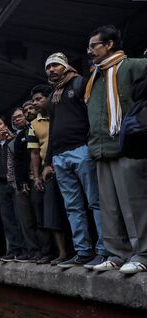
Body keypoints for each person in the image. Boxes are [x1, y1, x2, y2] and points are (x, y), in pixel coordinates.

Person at [84, 25, 147, 274]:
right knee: (109, 207)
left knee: (134, 204)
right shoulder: (95, 77)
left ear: (109, 44)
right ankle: (116, 254)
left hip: (126, 146)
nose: (89, 51)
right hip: (101, 149)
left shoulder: (134, 65)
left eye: (94, 46)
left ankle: (142, 253)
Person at [41, 52, 107, 269]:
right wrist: (48, 161)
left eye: (55, 66)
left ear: (65, 66)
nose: (51, 70)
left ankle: (104, 250)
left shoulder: (79, 83)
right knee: (73, 207)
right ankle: (83, 251)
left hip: (81, 149)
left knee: (95, 202)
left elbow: (95, 112)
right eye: (48, 67)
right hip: (59, 156)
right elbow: (52, 128)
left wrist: (93, 143)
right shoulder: (52, 96)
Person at [29, 85, 70, 265]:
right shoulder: (33, 124)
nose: (36, 103)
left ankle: (82, 251)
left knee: (74, 209)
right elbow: (34, 153)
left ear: (49, 98)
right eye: (34, 100)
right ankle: (62, 253)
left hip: (67, 164)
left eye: (39, 99)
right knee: (53, 213)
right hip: (48, 173)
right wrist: (36, 177)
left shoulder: (60, 113)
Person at [11, 107, 52, 263]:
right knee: (26, 220)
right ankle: (34, 252)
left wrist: (36, 176)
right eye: (15, 118)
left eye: (20, 116)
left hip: (39, 178)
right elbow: (17, 161)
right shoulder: (19, 137)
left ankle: (47, 252)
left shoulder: (36, 129)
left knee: (40, 217)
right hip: (24, 183)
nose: (18, 119)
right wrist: (20, 182)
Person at [0, 116, 28, 262]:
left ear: (6, 125)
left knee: (20, 217)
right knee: (7, 219)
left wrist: (12, 138)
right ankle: (13, 250)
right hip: (1, 186)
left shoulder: (16, 139)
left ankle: (25, 250)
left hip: (15, 183)